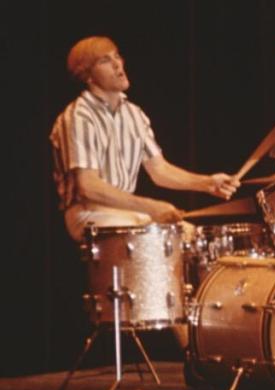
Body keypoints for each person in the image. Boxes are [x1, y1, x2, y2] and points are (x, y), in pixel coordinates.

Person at [50, 35, 239, 242]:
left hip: (124, 211)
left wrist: (208, 183)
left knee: (194, 236)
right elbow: (89, 187)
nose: (117, 64)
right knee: (158, 234)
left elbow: (160, 170)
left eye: (117, 56)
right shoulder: (79, 116)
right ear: (88, 76)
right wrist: (150, 207)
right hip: (89, 213)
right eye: (105, 61)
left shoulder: (134, 113)